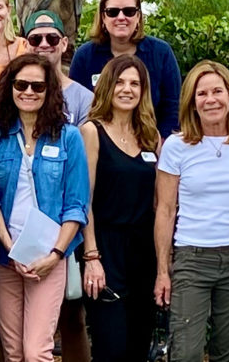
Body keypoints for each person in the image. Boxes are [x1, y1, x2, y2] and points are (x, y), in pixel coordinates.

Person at [153, 60, 229, 362]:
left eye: (217, 91)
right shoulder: (177, 146)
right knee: (186, 352)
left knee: (228, 352)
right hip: (192, 259)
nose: (210, 100)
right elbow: (165, 210)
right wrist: (163, 270)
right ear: (192, 103)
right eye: (201, 94)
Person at [0, 54, 90, 362]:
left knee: (37, 351)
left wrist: (55, 255)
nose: (28, 92)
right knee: (12, 351)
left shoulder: (69, 137)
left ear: (49, 90)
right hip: (6, 255)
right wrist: (7, 243)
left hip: (50, 256)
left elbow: (77, 206)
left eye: (37, 86)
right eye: (21, 84)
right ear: (10, 87)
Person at [76, 55, 161, 361]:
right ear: (108, 87)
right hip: (105, 248)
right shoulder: (91, 132)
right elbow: (83, 200)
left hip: (144, 251)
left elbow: (160, 203)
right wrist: (92, 256)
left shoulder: (151, 137)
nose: (127, 89)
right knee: (111, 345)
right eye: (121, 82)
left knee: (139, 344)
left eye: (135, 83)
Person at [70, 0, 183, 136]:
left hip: (149, 146)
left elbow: (173, 107)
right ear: (103, 17)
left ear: (138, 16)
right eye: (113, 12)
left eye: (129, 11)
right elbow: (75, 106)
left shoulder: (161, 53)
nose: (121, 17)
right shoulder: (85, 56)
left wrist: (162, 146)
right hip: (98, 145)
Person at [21, 10, 93, 124]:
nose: (44, 44)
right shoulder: (17, 93)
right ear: (25, 45)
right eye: (35, 39)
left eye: (52, 38)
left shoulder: (84, 99)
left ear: (64, 44)